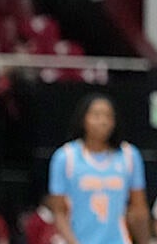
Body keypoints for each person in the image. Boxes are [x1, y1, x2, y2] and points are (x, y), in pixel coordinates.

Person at [49, 94, 151, 244]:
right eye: (96, 115)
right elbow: (58, 211)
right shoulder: (66, 157)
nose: (102, 121)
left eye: (108, 116)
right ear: (83, 119)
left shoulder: (129, 155)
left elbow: (139, 209)